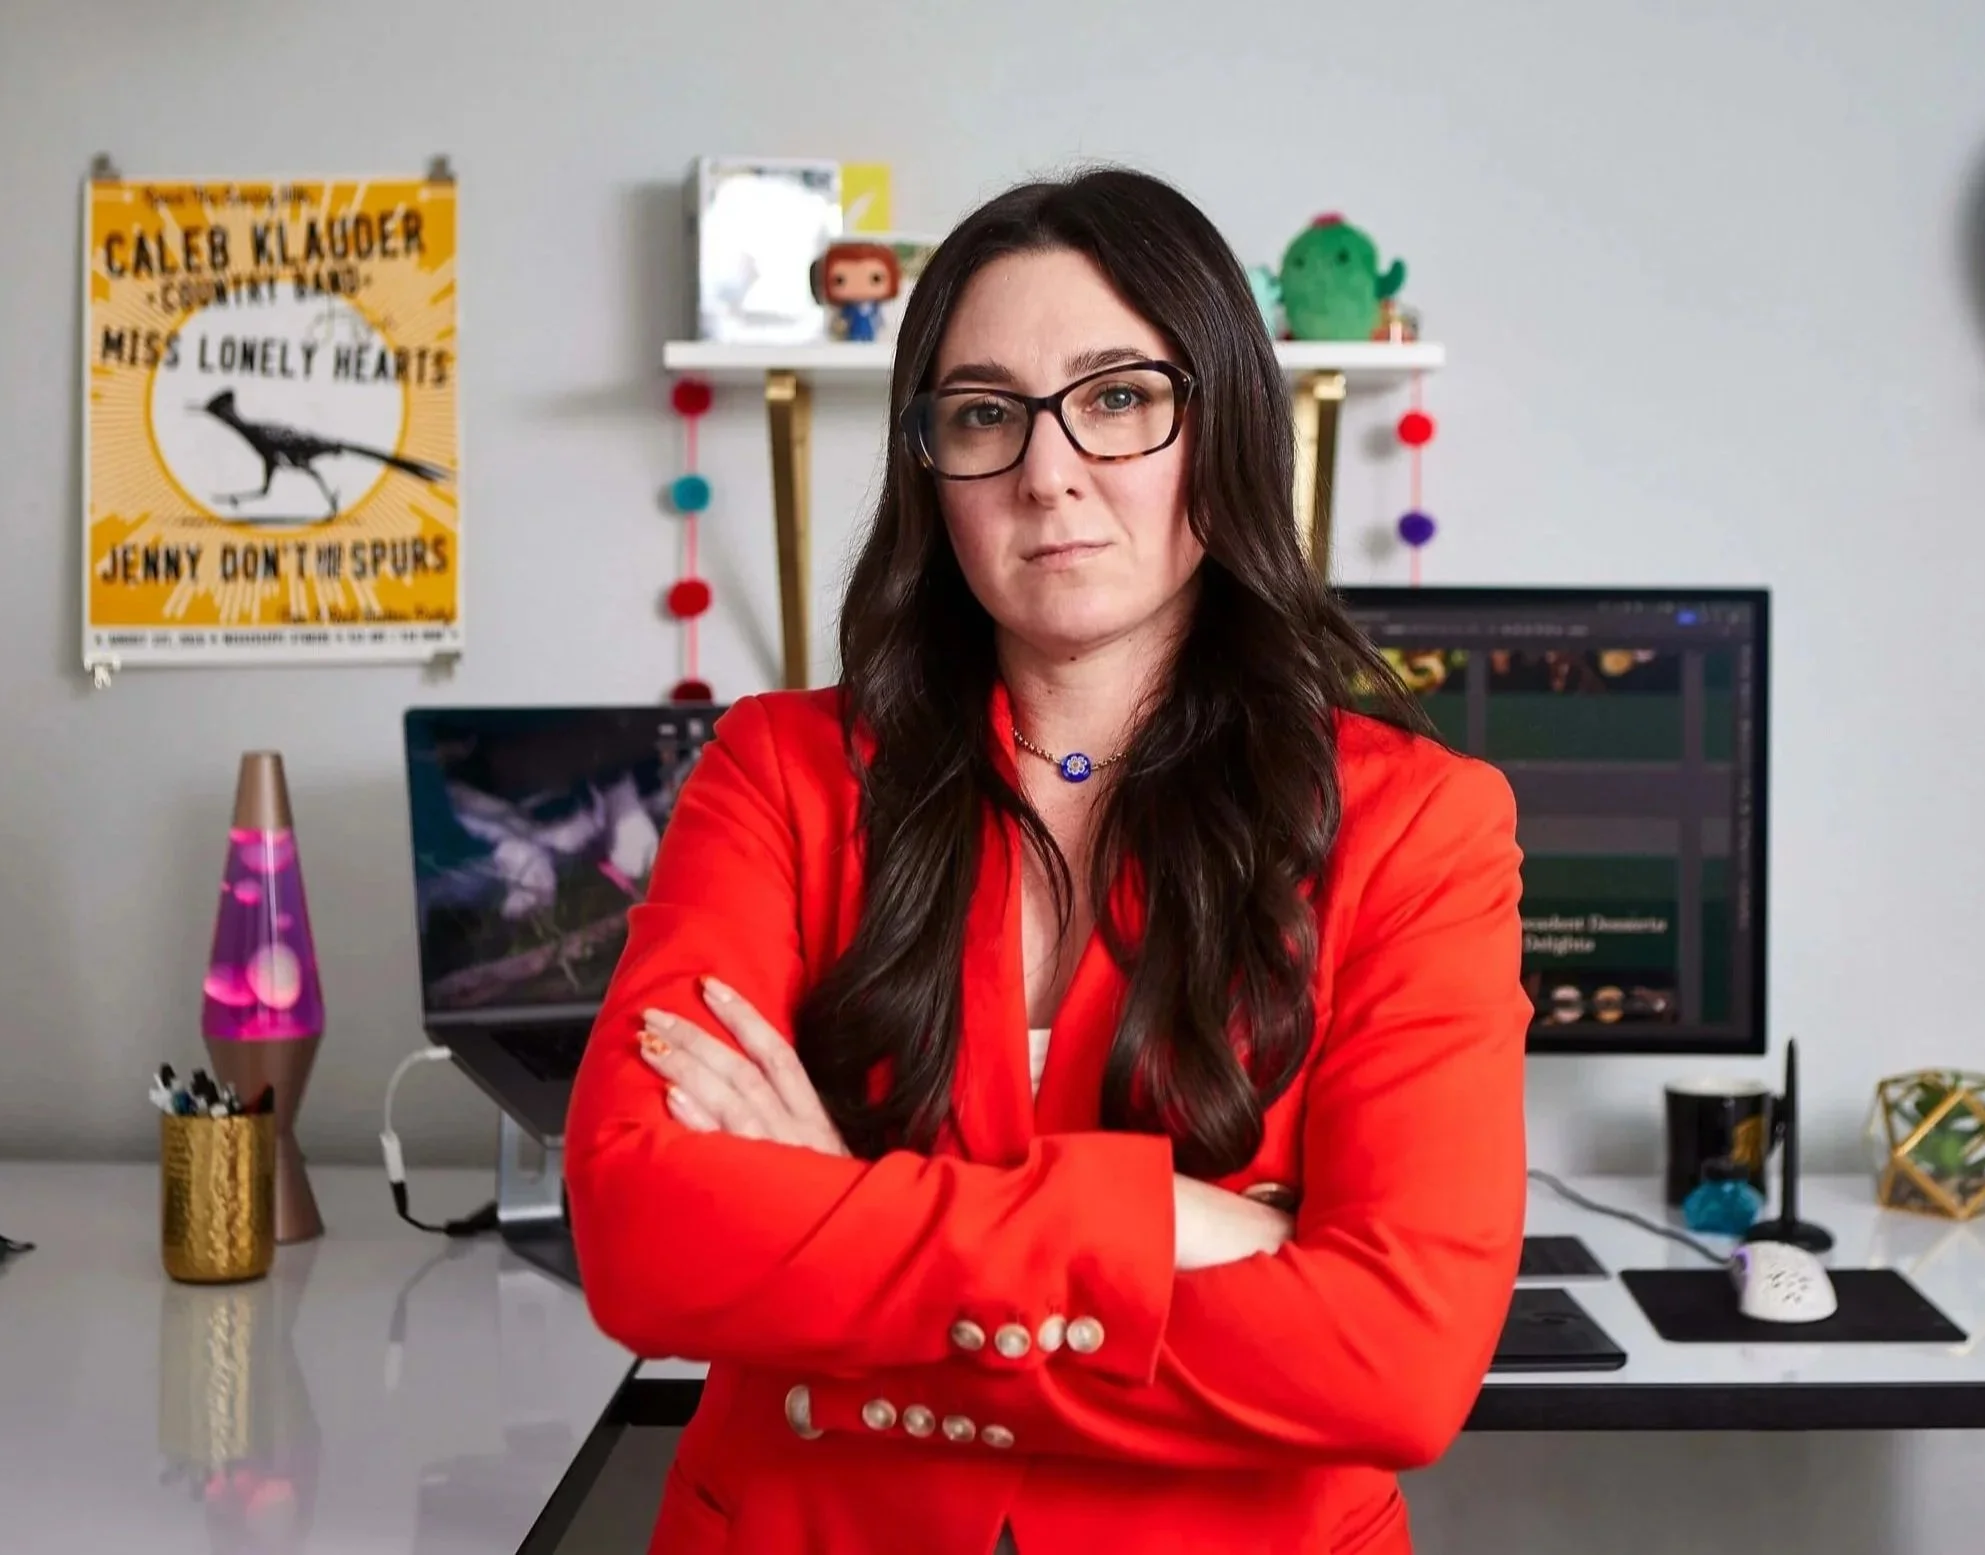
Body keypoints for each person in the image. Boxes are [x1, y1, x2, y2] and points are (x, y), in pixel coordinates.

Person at [564, 165, 1531, 1555]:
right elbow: (644, 1237)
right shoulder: (777, 772)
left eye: (1120, 398)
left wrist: (838, 1225)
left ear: (1224, 427)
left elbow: (1398, 1359)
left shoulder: (1421, 823)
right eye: (984, 413)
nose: (1048, 470)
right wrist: (1179, 1228)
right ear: (931, 469)